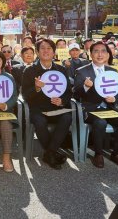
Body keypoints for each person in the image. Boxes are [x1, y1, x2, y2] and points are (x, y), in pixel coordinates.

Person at [73, 42, 118, 168]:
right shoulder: (81, 71)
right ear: (90, 53)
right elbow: (75, 94)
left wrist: (114, 98)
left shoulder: (113, 71)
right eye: (96, 51)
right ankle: (98, 154)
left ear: (107, 54)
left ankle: (116, 153)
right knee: (100, 122)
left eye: (103, 51)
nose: (100, 54)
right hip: (89, 109)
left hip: (108, 108)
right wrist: (85, 87)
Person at [21, 39, 73, 170]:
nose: (46, 51)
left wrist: (62, 101)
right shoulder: (30, 71)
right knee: (39, 121)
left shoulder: (61, 69)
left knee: (67, 117)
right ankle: (53, 153)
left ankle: (49, 153)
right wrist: (37, 88)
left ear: (54, 52)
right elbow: (25, 95)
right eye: (42, 48)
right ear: (37, 52)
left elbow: (68, 92)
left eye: (49, 48)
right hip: (37, 109)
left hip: (56, 108)